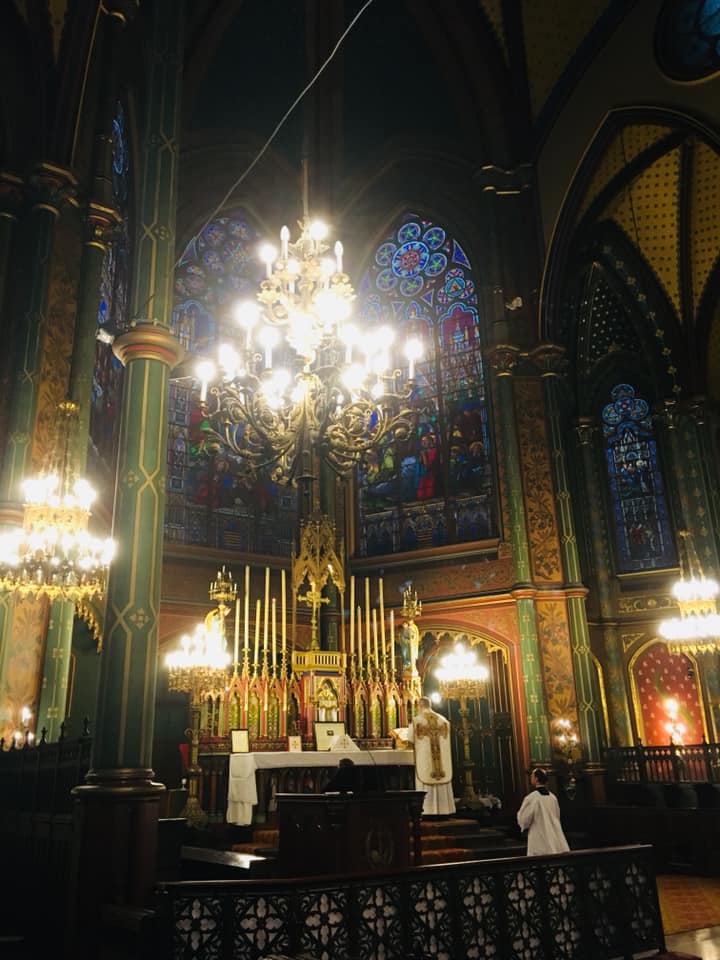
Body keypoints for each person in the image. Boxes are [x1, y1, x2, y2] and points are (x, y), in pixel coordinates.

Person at [407, 697, 456, 816]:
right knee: (440, 778)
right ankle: (445, 810)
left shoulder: (417, 720)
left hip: (426, 758)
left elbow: (410, 739)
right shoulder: (443, 720)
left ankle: (428, 811)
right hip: (441, 760)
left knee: (426, 776)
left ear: (419, 706)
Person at [516, 768, 570, 856]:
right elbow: (557, 816)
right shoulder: (553, 797)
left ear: (536, 779)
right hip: (554, 835)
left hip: (539, 836)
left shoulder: (532, 798)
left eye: (532, 776)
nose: (531, 778)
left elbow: (524, 820)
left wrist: (521, 821)